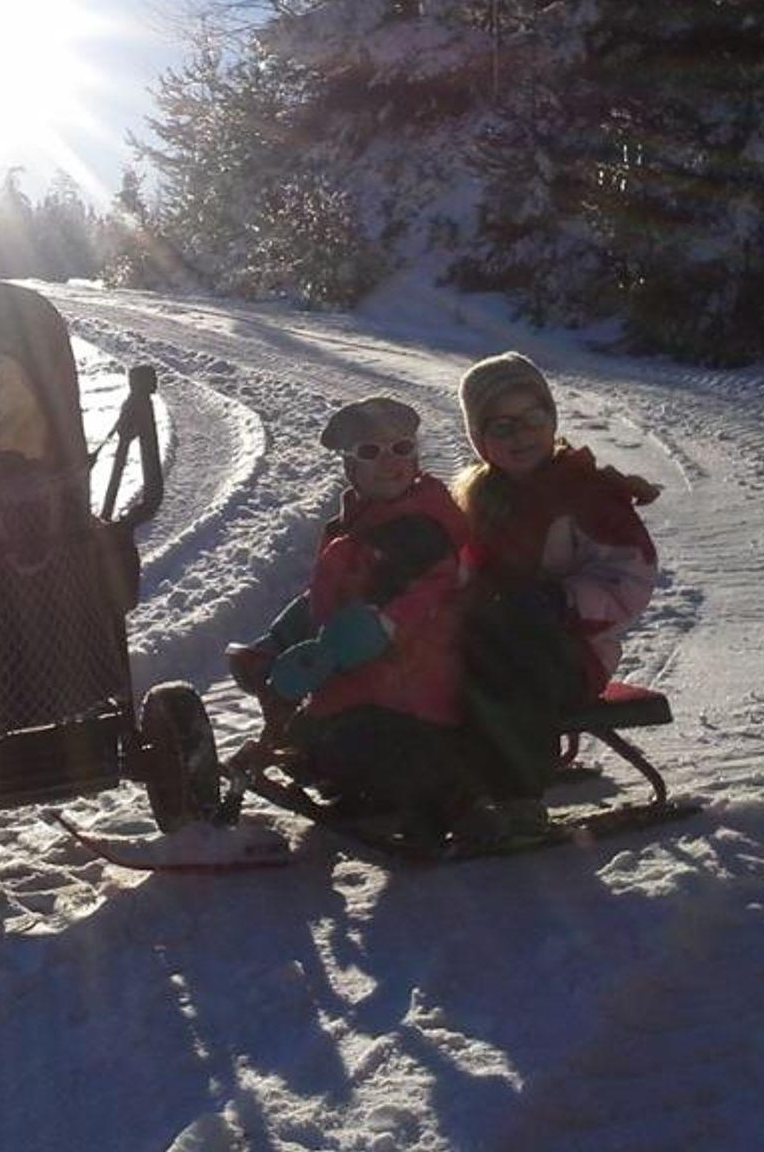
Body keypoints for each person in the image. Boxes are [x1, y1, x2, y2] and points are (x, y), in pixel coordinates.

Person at [227, 396, 476, 839]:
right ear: (349, 466)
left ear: (415, 457)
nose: (390, 461)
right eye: (370, 451)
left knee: (353, 747)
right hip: (364, 676)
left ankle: (436, 797)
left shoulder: (422, 525)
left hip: (417, 681)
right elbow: (324, 600)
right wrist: (277, 643)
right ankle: (358, 776)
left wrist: (375, 629)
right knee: (312, 745)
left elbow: (435, 591)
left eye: (401, 448)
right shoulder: (356, 525)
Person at [452, 351, 661, 829]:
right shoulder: (479, 498)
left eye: (532, 418)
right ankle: (446, 775)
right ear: (480, 439)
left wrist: (563, 600)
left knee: (512, 670)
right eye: (502, 426)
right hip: (495, 633)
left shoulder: (587, 494)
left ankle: (517, 797)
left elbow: (630, 575)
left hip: (573, 650)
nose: (521, 435)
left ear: (552, 419)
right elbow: (459, 569)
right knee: (446, 661)